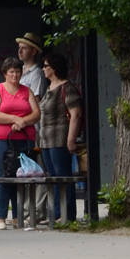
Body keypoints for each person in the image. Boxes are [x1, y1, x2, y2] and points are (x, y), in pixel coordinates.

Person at [0, 56, 40, 230]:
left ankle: (18, 217)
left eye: (18, 71)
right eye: (11, 72)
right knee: (3, 177)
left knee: (21, 177)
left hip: (24, 139)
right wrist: (14, 119)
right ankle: (0, 218)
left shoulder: (27, 91)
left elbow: (36, 113)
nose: (15, 75)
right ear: (5, 74)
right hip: (1, 139)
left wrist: (23, 122)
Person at [38, 52, 83, 223]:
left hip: (60, 138)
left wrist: (70, 139)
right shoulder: (48, 88)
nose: (43, 69)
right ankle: (56, 213)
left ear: (54, 68)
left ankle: (66, 214)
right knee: (53, 177)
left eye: (46, 66)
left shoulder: (66, 87)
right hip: (46, 140)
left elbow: (76, 114)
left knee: (63, 175)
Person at [16, 32, 49, 225]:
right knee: (26, 169)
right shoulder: (20, 71)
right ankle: (27, 209)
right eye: (19, 46)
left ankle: (38, 210)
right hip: (23, 128)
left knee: (37, 170)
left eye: (25, 47)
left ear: (34, 51)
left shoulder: (36, 74)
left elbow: (34, 101)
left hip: (34, 128)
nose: (20, 50)